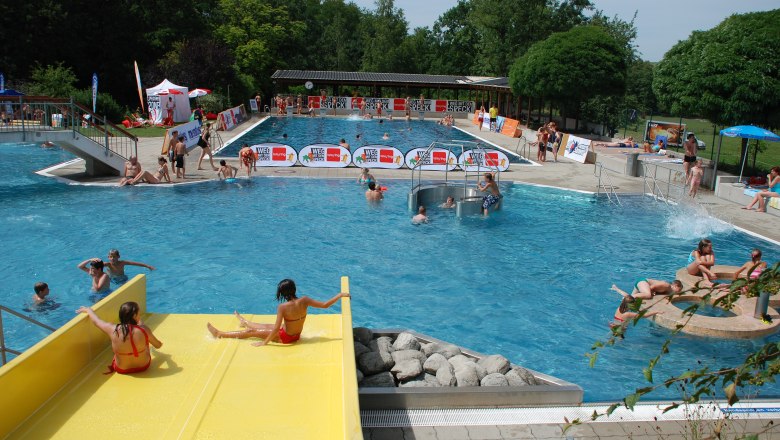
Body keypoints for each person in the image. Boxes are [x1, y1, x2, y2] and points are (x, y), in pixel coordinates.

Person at [207, 279, 350, 346]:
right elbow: (325, 305)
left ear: (282, 293)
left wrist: (264, 343)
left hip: (285, 338)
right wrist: (340, 295)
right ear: (294, 289)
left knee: (251, 332)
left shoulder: (283, 307)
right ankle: (244, 322)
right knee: (266, 326)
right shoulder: (305, 300)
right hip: (295, 335)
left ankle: (220, 334)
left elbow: (276, 329)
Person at [76, 301, 163, 374]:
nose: (139, 315)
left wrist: (88, 310)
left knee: (119, 345)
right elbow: (158, 345)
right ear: (134, 316)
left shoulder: (111, 328)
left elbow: (96, 321)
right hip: (143, 366)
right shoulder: (144, 330)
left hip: (122, 369)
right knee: (144, 337)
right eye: (138, 314)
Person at [611, 279, 683, 301]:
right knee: (648, 295)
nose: (679, 291)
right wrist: (651, 292)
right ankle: (630, 297)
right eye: (679, 289)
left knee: (629, 299)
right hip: (643, 282)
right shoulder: (666, 285)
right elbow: (652, 286)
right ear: (675, 285)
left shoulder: (668, 289)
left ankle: (616, 288)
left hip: (643, 284)